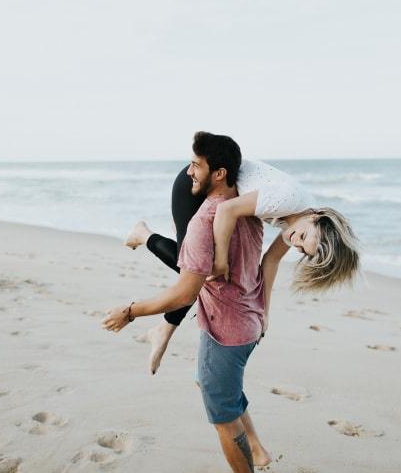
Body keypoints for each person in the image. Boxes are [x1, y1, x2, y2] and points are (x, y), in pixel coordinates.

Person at [102, 132, 276, 471]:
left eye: (195, 165)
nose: (189, 172)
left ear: (220, 172)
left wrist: (130, 312)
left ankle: (250, 458)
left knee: (224, 417)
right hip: (253, 324)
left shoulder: (202, 225)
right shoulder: (251, 209)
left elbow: (184, 293)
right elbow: (272, 254)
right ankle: (257, 450)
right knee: (219, 387)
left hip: (226, 334)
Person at [125, 135, 360, 374]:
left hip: (225, 195)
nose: (294, 242)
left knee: (201, 273)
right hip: (199, 182)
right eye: (301, 238)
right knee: (194, 269)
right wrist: (220, 261)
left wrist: (264, 312)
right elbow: (227, 210)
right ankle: (143, 234)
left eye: (301, 249)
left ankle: (163, 330)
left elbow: (271, 260)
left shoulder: (300, 221)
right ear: (315, 217)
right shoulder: (287, 200)